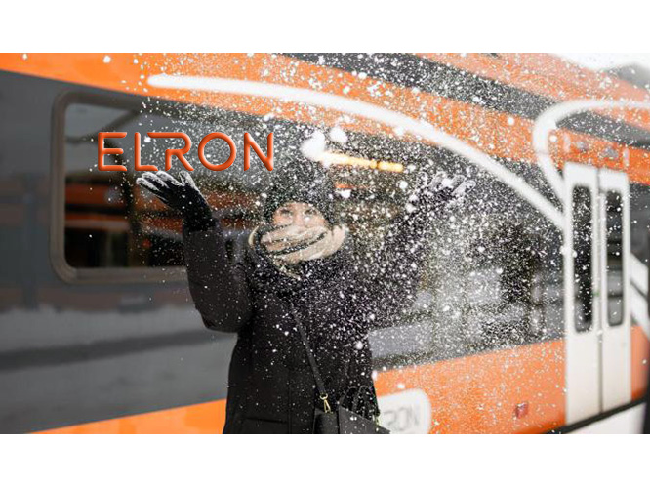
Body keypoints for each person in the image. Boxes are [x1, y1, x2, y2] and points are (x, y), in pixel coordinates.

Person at [137, 159, 470, 433]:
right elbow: (222, 313)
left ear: (326, 218)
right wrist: (200, 225)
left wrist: (416, 221)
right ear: (271, 217)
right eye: (286, 211)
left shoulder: (347, 273)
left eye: (310, 211)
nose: (299, 222)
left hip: (336, 431)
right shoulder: (253, 269)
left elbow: (389, 299)